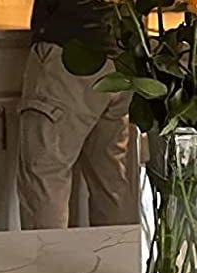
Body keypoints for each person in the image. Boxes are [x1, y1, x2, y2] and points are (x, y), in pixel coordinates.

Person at [17, 0, 135, 230]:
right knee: (111, 182)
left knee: (46, 175)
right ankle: (118, 253)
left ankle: (49, 254)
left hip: (70, 53)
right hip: (119, 59)